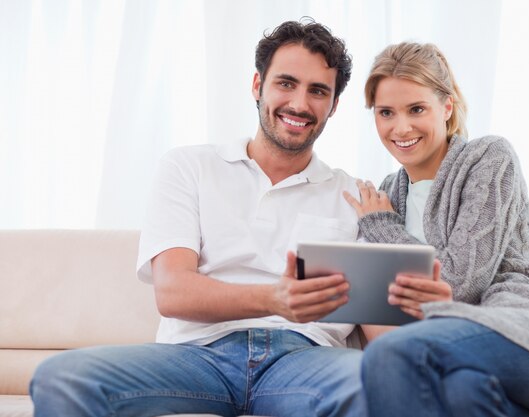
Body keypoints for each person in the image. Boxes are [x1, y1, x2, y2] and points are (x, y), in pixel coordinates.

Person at [30, 19, 367, 417]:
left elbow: (380, 326)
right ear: (258, 86)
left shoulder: (356, 195)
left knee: (379, 381)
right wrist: (274, 298)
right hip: (198, 355)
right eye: (286, 83)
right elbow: (172, 292)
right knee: (62, 376)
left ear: (334, 105)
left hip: (304, 360)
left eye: (318, 91)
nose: (299, 103)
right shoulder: (189, 167)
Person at [342, 42, 529, 416]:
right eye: (386, 112)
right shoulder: (386, 194)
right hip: (466, 372)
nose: (401, 127)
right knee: (460, 393)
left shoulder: (488, 158)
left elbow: (459, 284)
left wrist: (383, 227)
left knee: (391, 355)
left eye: (416, 109)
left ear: (446, 107)